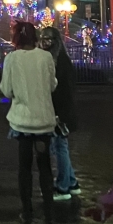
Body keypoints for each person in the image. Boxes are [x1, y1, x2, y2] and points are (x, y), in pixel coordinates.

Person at [0, 20, 57, 224]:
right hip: (43, 121)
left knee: (24, 168)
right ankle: (49, 212)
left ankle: (27, 211)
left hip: (22, 123)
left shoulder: (12, 59)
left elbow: (6, 90)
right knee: (45, 168)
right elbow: (52, 85)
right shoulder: (46, 57)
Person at [40, 26, 81, 201]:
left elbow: (62, 91)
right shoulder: (57, 59)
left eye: (48, 39)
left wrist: (58, 114)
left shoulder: (59, 62)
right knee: (60, 147)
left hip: (60, 112)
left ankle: (63, 186)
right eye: (42, 39)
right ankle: (71, 182)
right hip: (61, 110)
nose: (44, 43)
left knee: (59, 147)